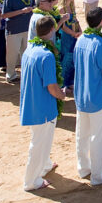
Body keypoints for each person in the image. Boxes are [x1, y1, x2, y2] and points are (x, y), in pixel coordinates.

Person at [19, 17, 66, 191]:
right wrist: (61, 96)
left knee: (42, 139)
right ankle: (31, 180)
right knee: (39, 143)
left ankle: (45, 164)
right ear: (52, 31)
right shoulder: (47, 55)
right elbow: (51, 86)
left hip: (31, 101)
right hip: (43, 105)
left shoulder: (30, 49)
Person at [73, 6, 102, 186]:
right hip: (98, 97)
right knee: (98, 138)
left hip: (81, 96)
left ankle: (84, 168)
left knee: (82, 135)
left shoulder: (80, 40)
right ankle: (98, 175)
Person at [1, 0, 35, 83]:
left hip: (27, 28)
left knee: (26, 52)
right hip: (14, 29)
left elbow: (34, 6)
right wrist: (21, 11)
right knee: (12, 54)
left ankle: (26, 73)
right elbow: (5, 15)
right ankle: (10, 75)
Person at [58, 0, 81, 93]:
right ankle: (62, 83)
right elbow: (62, 26)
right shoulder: (61, 9)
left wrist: (80, 31)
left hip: (73, 35)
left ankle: (70, 82)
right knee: (65, 58)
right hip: (66, 36)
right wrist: (73, 33)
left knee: (72, 58)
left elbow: (75, 20)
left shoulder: (71, 7)